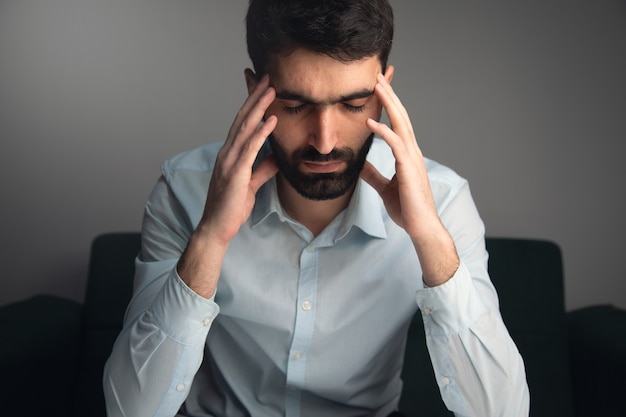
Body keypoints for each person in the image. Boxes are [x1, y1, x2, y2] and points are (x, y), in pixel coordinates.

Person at [104, 0, 529, 416]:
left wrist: (428, 237)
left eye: (354, 104)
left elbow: (503, 410)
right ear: (256, 93)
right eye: (295, 106)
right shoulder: (183, 189)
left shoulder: (444, 200)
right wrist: (211, 237)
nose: (325, 141)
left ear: (385, 93)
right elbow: (131, 409)